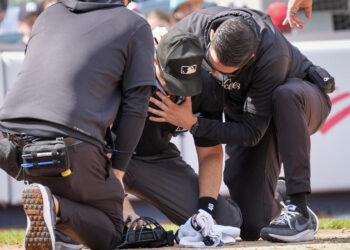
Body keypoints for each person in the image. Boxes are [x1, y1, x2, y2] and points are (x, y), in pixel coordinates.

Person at [148, 6, 332, 242]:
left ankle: (299, 210)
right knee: (252, 225)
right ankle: (279, 191)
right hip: (249, 115)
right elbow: (162, 49)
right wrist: (157, 36)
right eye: (211, 65)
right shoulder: (193, 28)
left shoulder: (271, 56)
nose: (213, 74)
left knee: (286, 96)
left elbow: (251, 133)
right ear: (212, 36)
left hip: (299, 106)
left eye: (223, 72)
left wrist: (193, 124)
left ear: (251, 58)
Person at [0, 0, 155, 249]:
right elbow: (136, 106)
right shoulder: (134, 24)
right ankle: (55, 208)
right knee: (113, 229)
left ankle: (51, 211)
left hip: (9, 140)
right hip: (67, 142)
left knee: (57, 186)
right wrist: (117, 170)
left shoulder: (49, 14)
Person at [112, 29, 242, 229]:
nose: (179, 90)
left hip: (154, 159)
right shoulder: (125, 74)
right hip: (105, 159)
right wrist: (121, 204)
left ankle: (278, 194)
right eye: (171, 82)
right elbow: (93, 143)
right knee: (110, 226)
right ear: (155, 61)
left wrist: (205, 212)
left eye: (188, 83)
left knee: (225, 221)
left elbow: (210, 153)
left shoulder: (207, 85)